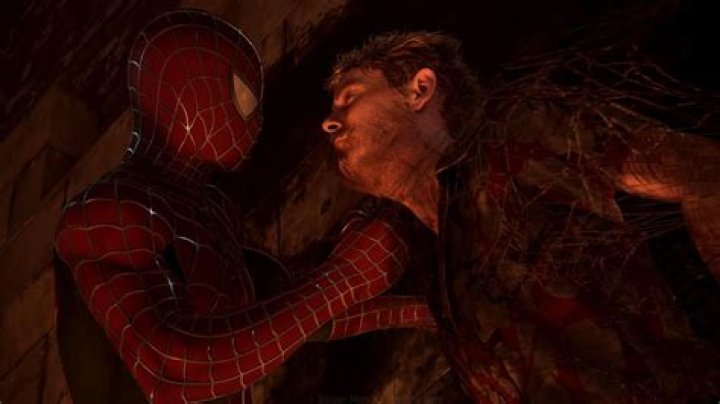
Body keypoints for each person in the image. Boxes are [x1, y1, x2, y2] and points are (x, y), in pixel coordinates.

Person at [54, 11, 435, 404]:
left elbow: (285, 315)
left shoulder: (208, 213)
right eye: (243, 96)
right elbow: (170, 368)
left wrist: (414, 310)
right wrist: (344, 278)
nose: (254, 119)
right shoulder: (106, 212)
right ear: (189, 94)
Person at [322, 31, 720, 402]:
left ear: (419, 89)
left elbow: (703, 173)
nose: (329, 121)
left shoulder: (514, 132)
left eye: (350, 96)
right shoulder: (439, 269)